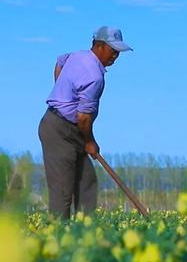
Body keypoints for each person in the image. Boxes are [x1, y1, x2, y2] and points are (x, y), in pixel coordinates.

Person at [38, 26, 133, 219]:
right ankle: (58, 237)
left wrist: (62, 92)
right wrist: (90, 142)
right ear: (99, 45)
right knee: (62, 190)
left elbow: (59, 62)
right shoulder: (95, 77)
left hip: (70, 128)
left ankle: (86, 232)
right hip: (59, 129)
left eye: (118, 52)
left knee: (86, 182)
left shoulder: (78, 56)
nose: (116, 55)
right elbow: (83, 117)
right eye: (112, 50)